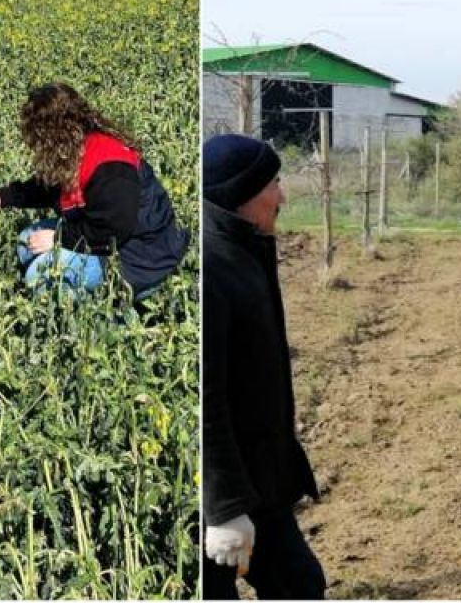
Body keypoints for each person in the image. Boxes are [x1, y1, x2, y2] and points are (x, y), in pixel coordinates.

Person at [202, 133, 325, 600]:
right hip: (224, 492)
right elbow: (205, 399)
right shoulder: (211, 269)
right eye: (274, 183)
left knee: (299, 583)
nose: (283, 196)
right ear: (243, 193)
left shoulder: (246, 250)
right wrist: (224, 508)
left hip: (261, 482)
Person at [0, 83, 188, 300]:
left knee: (39, 276)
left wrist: (59, 238)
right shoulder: (75, 147)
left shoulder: (111, 166)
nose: (33, 144)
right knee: (26, 242)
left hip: (140, 258)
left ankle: (96, 317)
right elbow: (49, 186)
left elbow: (113, 230)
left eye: (35, 136)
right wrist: (3, 197)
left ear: (51, 133)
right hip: (105, 236)